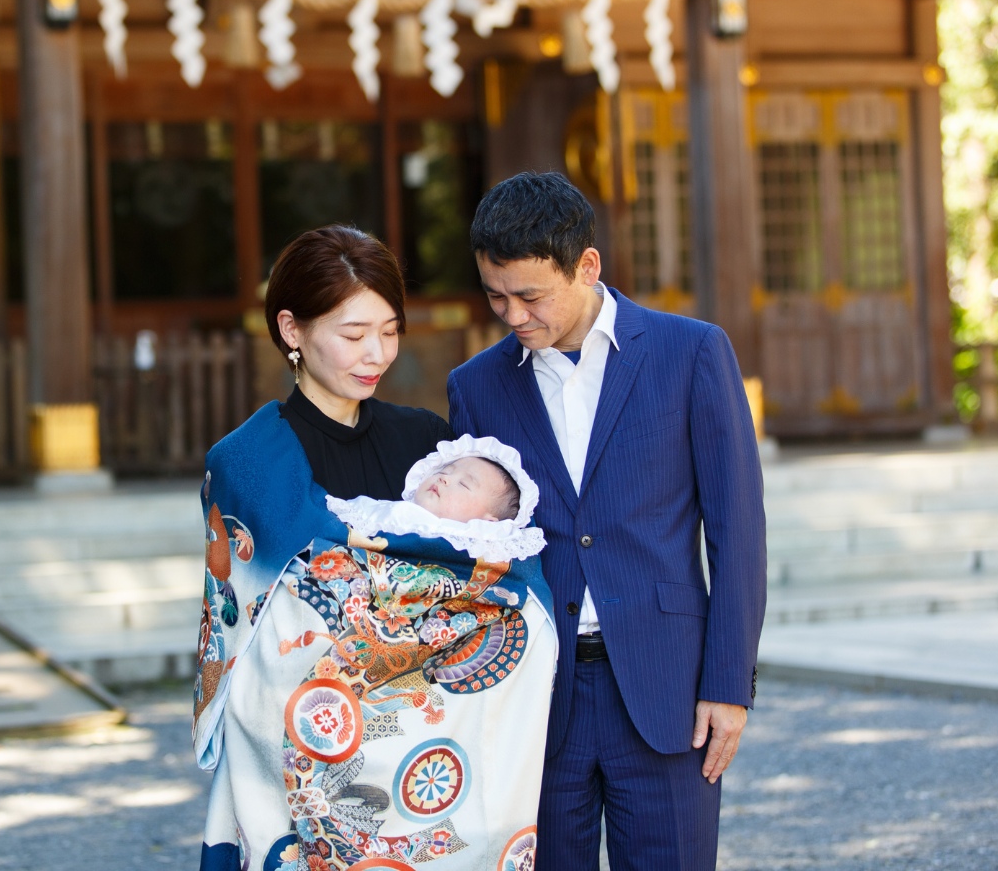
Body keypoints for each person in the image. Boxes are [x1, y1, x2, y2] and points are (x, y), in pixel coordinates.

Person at [195, 225, 555, 871]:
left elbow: (492, 580)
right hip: (310, 751)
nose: (377, 354)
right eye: (354, 335)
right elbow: (259, 641)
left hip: (427, 766)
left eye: (390, 331)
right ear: (292, 330)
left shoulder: (429, 449)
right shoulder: (249, 466)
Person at [447, 172, 768, 871]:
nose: (512, 315)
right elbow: (475, 552)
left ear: (586, 266)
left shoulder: (692, 354)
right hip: (532, 699)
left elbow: (738, 534)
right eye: (495, 296)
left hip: (668, 691)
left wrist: (727, 685)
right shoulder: (474, 387)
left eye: (530, 296)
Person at [326, 433, 548, 564]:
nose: (444, 479)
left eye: (464, 484)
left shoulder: (480, 549)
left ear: (489, 523)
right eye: (445, 471)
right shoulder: (391, 512)